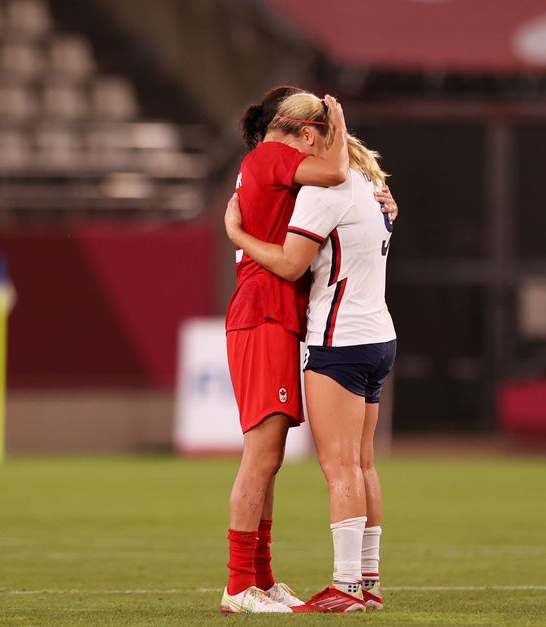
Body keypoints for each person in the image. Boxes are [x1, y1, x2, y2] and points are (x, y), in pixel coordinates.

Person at [225, 129, 399, 613]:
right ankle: (367, 581)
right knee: (363, 463)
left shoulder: (325, 190)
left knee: (339, 465)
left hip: (339, 339)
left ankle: (345, 587)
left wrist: (238, 235)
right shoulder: (369, 182)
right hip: (379, 335)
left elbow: (288, 262)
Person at [219, 87, 350, 614]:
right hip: (263, 314)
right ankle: (237, 586)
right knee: (262, 456)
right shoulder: (275, 154)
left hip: (267, 315)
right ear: (303, 130)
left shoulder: (262, 161)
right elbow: (336, 172)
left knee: (267, 458)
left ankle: (261, 578)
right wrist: (338, 121)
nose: (319, 145)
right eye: (317, 134)